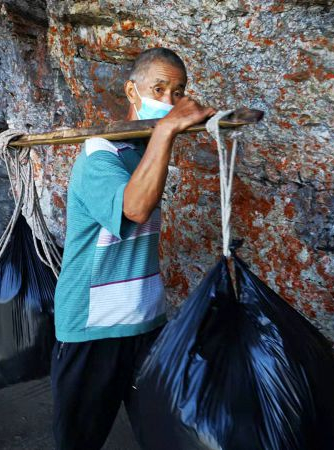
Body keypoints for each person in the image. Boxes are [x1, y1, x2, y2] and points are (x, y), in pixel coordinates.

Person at [51, 47, 216, 450]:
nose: (169, 101)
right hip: (93, 326)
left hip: (146, 320)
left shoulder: (147, 151)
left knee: (167, 435)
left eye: (178, 93)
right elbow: (136, 208)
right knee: (79, 442)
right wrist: (166, 130)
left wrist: (163, 135)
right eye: (159, 89)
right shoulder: (100, 153)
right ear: (132, 91)